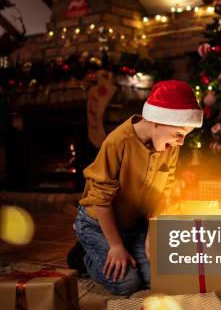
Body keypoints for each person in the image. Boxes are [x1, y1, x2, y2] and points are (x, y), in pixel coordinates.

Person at [69, 80, 203, 295]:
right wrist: (115, 246)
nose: (181, 142)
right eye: (179, 133)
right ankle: (85, 256)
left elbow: (162, 193)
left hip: (133, 226)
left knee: (156, 277)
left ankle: (115, 247)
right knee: (126, 283)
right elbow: (100, 199)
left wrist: (152, 235)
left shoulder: (169, 147)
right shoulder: (117, 142)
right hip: (97, 223)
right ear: (157, 121)